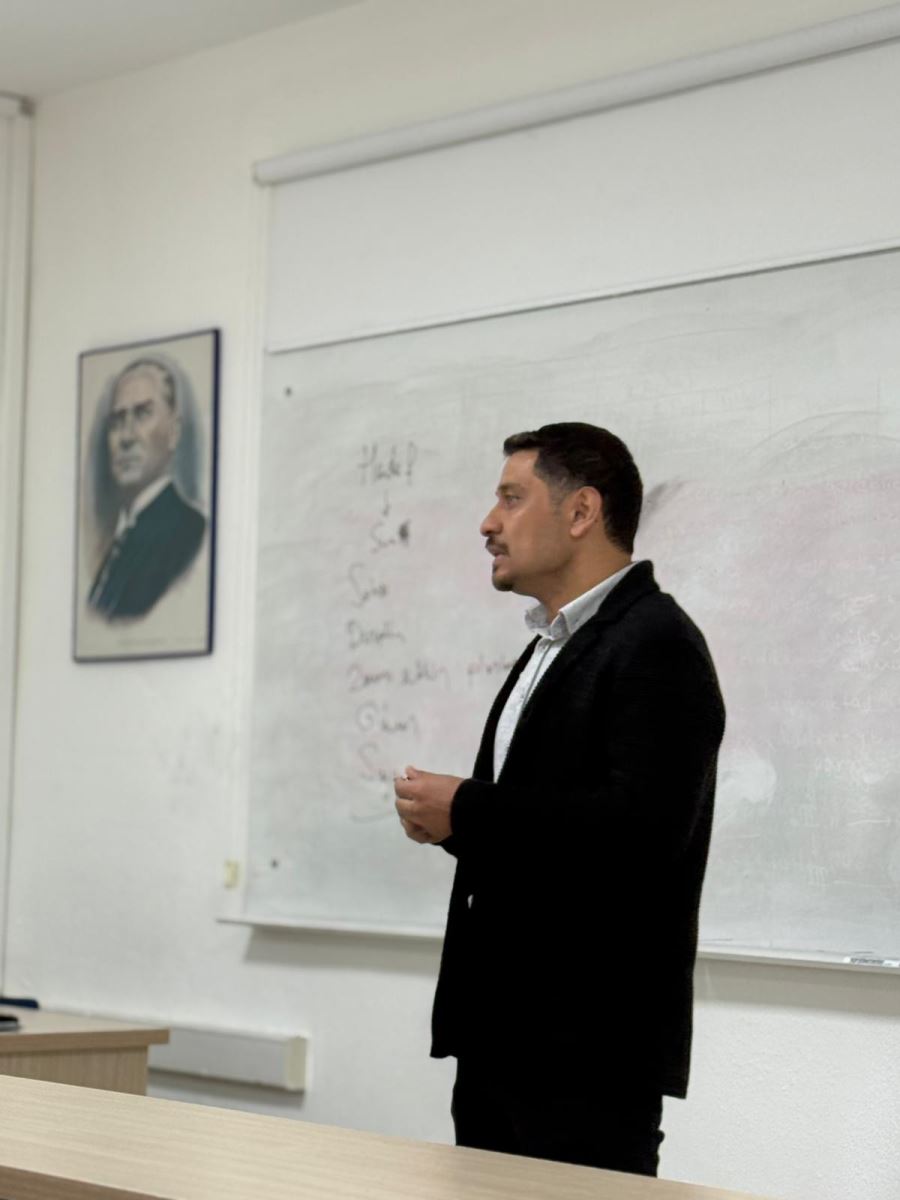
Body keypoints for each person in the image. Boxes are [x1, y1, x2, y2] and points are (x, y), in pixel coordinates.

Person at [394, 422, 725, 1177]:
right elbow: (555, 822)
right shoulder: (555, 644)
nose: (488, 523)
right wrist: (452, 825)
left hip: (587, 1055)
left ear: (581, 513)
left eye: (512, 498)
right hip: (506, 1042)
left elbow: (641, 834)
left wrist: (470, 811)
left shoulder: (657, 643)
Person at [87, 358, 206, 620]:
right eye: (117, 421)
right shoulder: (122, 534)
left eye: (142, 414)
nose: (126, 437)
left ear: (174, 432)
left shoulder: (189, 531)